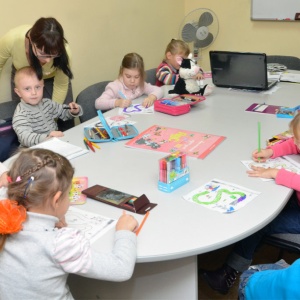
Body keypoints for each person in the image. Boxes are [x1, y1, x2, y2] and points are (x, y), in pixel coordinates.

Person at [0, 148, 138, 299]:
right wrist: (124, 232)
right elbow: (121, 269)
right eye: (69, 194)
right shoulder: (61, 244)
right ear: (57, 200)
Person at [201, 113, 300, 295]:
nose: (296, 144)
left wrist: (276, 174)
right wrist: (270, 152)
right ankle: (247, 251)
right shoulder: (297, 141)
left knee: (262, 221)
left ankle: (229, 273)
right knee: (264, 206)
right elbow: (293, 144)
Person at [0, 17, 74, 131]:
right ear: (30, 40)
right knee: (28, 123)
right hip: (24, 79)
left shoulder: (65, 51)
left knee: (63, 123)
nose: (48, 61)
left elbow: (61, 85)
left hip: (53, 79)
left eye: (54, 55)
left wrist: (51, 118)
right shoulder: (12, 39)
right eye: (43, 54)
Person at [12, 66, 83, 148]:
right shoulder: (21, 113)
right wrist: (46, 138)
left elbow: (63, 112)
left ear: (43, 86)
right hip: (34, 151)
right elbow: (25, 138)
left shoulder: (47, 103)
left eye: (37, 87)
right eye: (27, 89)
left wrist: (73, 111)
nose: (34, 92)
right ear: (18, 92)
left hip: (53, 143)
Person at [95, 52, 163, 110]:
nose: (132, 81)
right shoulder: (115, 86)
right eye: (128, 76)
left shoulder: (140, 85)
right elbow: (98, 103)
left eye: (136, 77)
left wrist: (151, 98)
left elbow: (159, 90)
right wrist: (117, 102)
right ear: (122, 72)